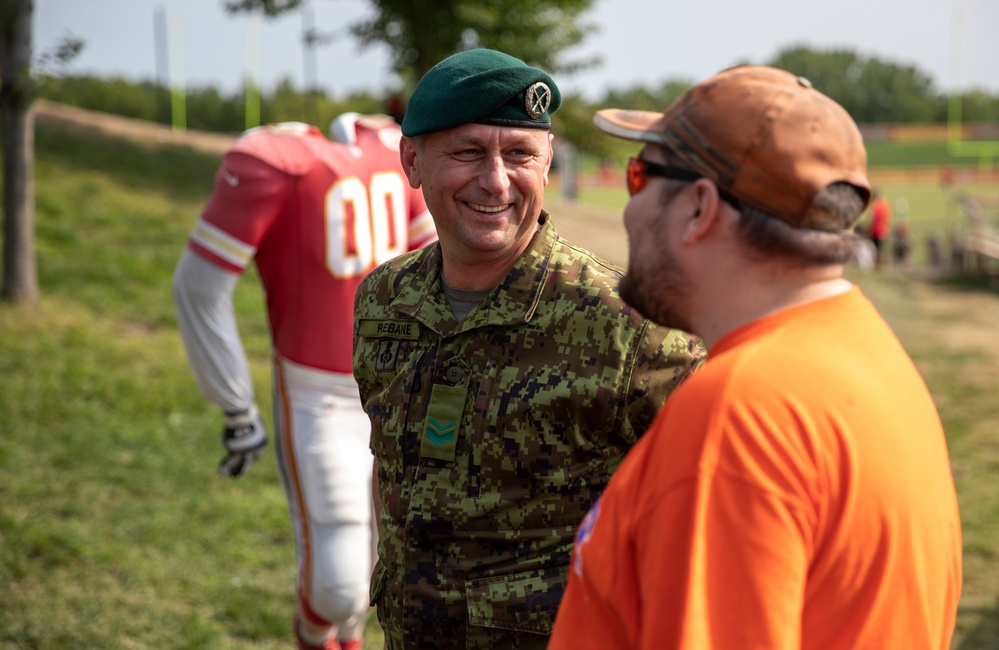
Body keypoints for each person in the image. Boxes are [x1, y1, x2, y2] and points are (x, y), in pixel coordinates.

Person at [550, 65, 962, 649]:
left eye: (638, 177)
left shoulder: (737, 413)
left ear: (698, 208)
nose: (629, 211)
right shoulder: (868, 353)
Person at [351, 48, 703, 649]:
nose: (496, 181)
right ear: (412, 160)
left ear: (546, 167)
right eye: (467, 152)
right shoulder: (385, 301)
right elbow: (391, 468)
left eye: (520, 155)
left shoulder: (631, 326)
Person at [173, 114, 437, 650]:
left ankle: (347, 640)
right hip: (321, 392)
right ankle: (315, 639)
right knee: (340, 581)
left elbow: (440, 268)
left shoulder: (395, 149)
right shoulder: (276, 161)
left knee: (397, 568)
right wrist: (236, 405)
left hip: (403, 385)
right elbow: (199, 286)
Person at [869, 191, 892, 268]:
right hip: (883, 230)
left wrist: (869, 229)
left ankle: (878, 265)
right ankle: (881, 264)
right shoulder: (885, 204)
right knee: (881, 248)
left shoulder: (876, 205)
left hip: (877, 230)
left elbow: (873, 219)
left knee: (877, 248)